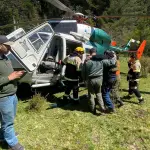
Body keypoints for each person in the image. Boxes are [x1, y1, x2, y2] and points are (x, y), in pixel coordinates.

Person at [0, 35, 25, 150]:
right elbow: (7, 77)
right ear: (0, 46)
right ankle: (12, 144)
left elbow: (7, 74)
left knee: (9, 118)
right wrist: (10, 77)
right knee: (8, 121)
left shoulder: (5, 57)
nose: (10, 48)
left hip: (12, 95)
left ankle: (3, 136)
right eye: (7, 46)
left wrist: (16, 75)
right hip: (3, 97)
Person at [82, 48, 116, 115]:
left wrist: (84, 80)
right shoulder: (101, 61)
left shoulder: (87, 62)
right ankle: (102, 109)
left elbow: (83, 72)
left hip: (91, 79)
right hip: (99, 79)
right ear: (96, 53)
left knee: (91, 94)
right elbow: (112, 62)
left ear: (90, 52)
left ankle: (92, 109)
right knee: (99, 94)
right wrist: (114, 56)